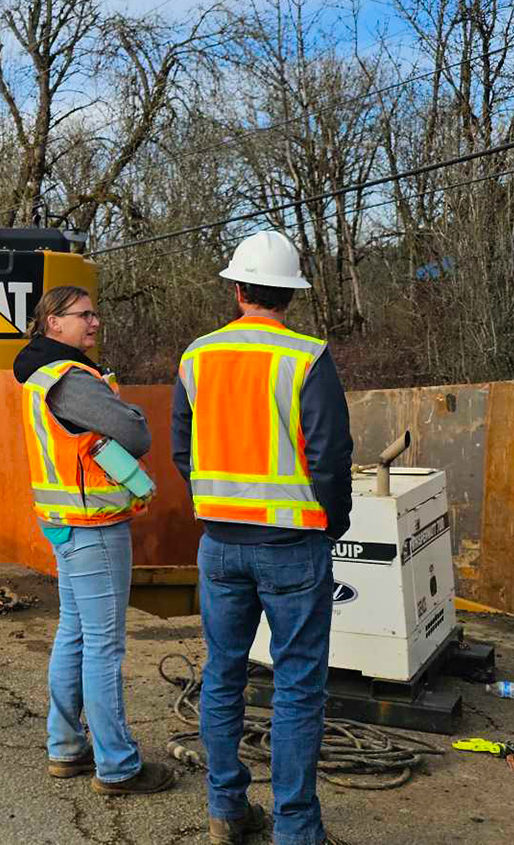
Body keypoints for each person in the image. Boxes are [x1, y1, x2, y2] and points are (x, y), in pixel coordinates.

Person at [173, 230, 352, 845]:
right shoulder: (306, 357)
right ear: (290, 295)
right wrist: (336, 518)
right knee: (298, 684)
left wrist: (218, 501)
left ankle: (226, 809)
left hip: (219, 542)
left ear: (239, 289)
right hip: (292, 544)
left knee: (223, 675)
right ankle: (296, 829)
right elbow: (331, 455)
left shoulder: (197, 357)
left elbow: (182, 449)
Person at [14, 284, 175, 796]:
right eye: (84, 315)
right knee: (103, 646)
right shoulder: (70, 379)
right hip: (93, 529)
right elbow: (137, 434)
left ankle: (66, 748)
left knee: (76, 634)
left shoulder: (41, 374)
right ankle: (118, 766)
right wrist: (120, 406)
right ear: (52, 324)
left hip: (65, 523)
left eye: (95, 314)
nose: (95, 323)